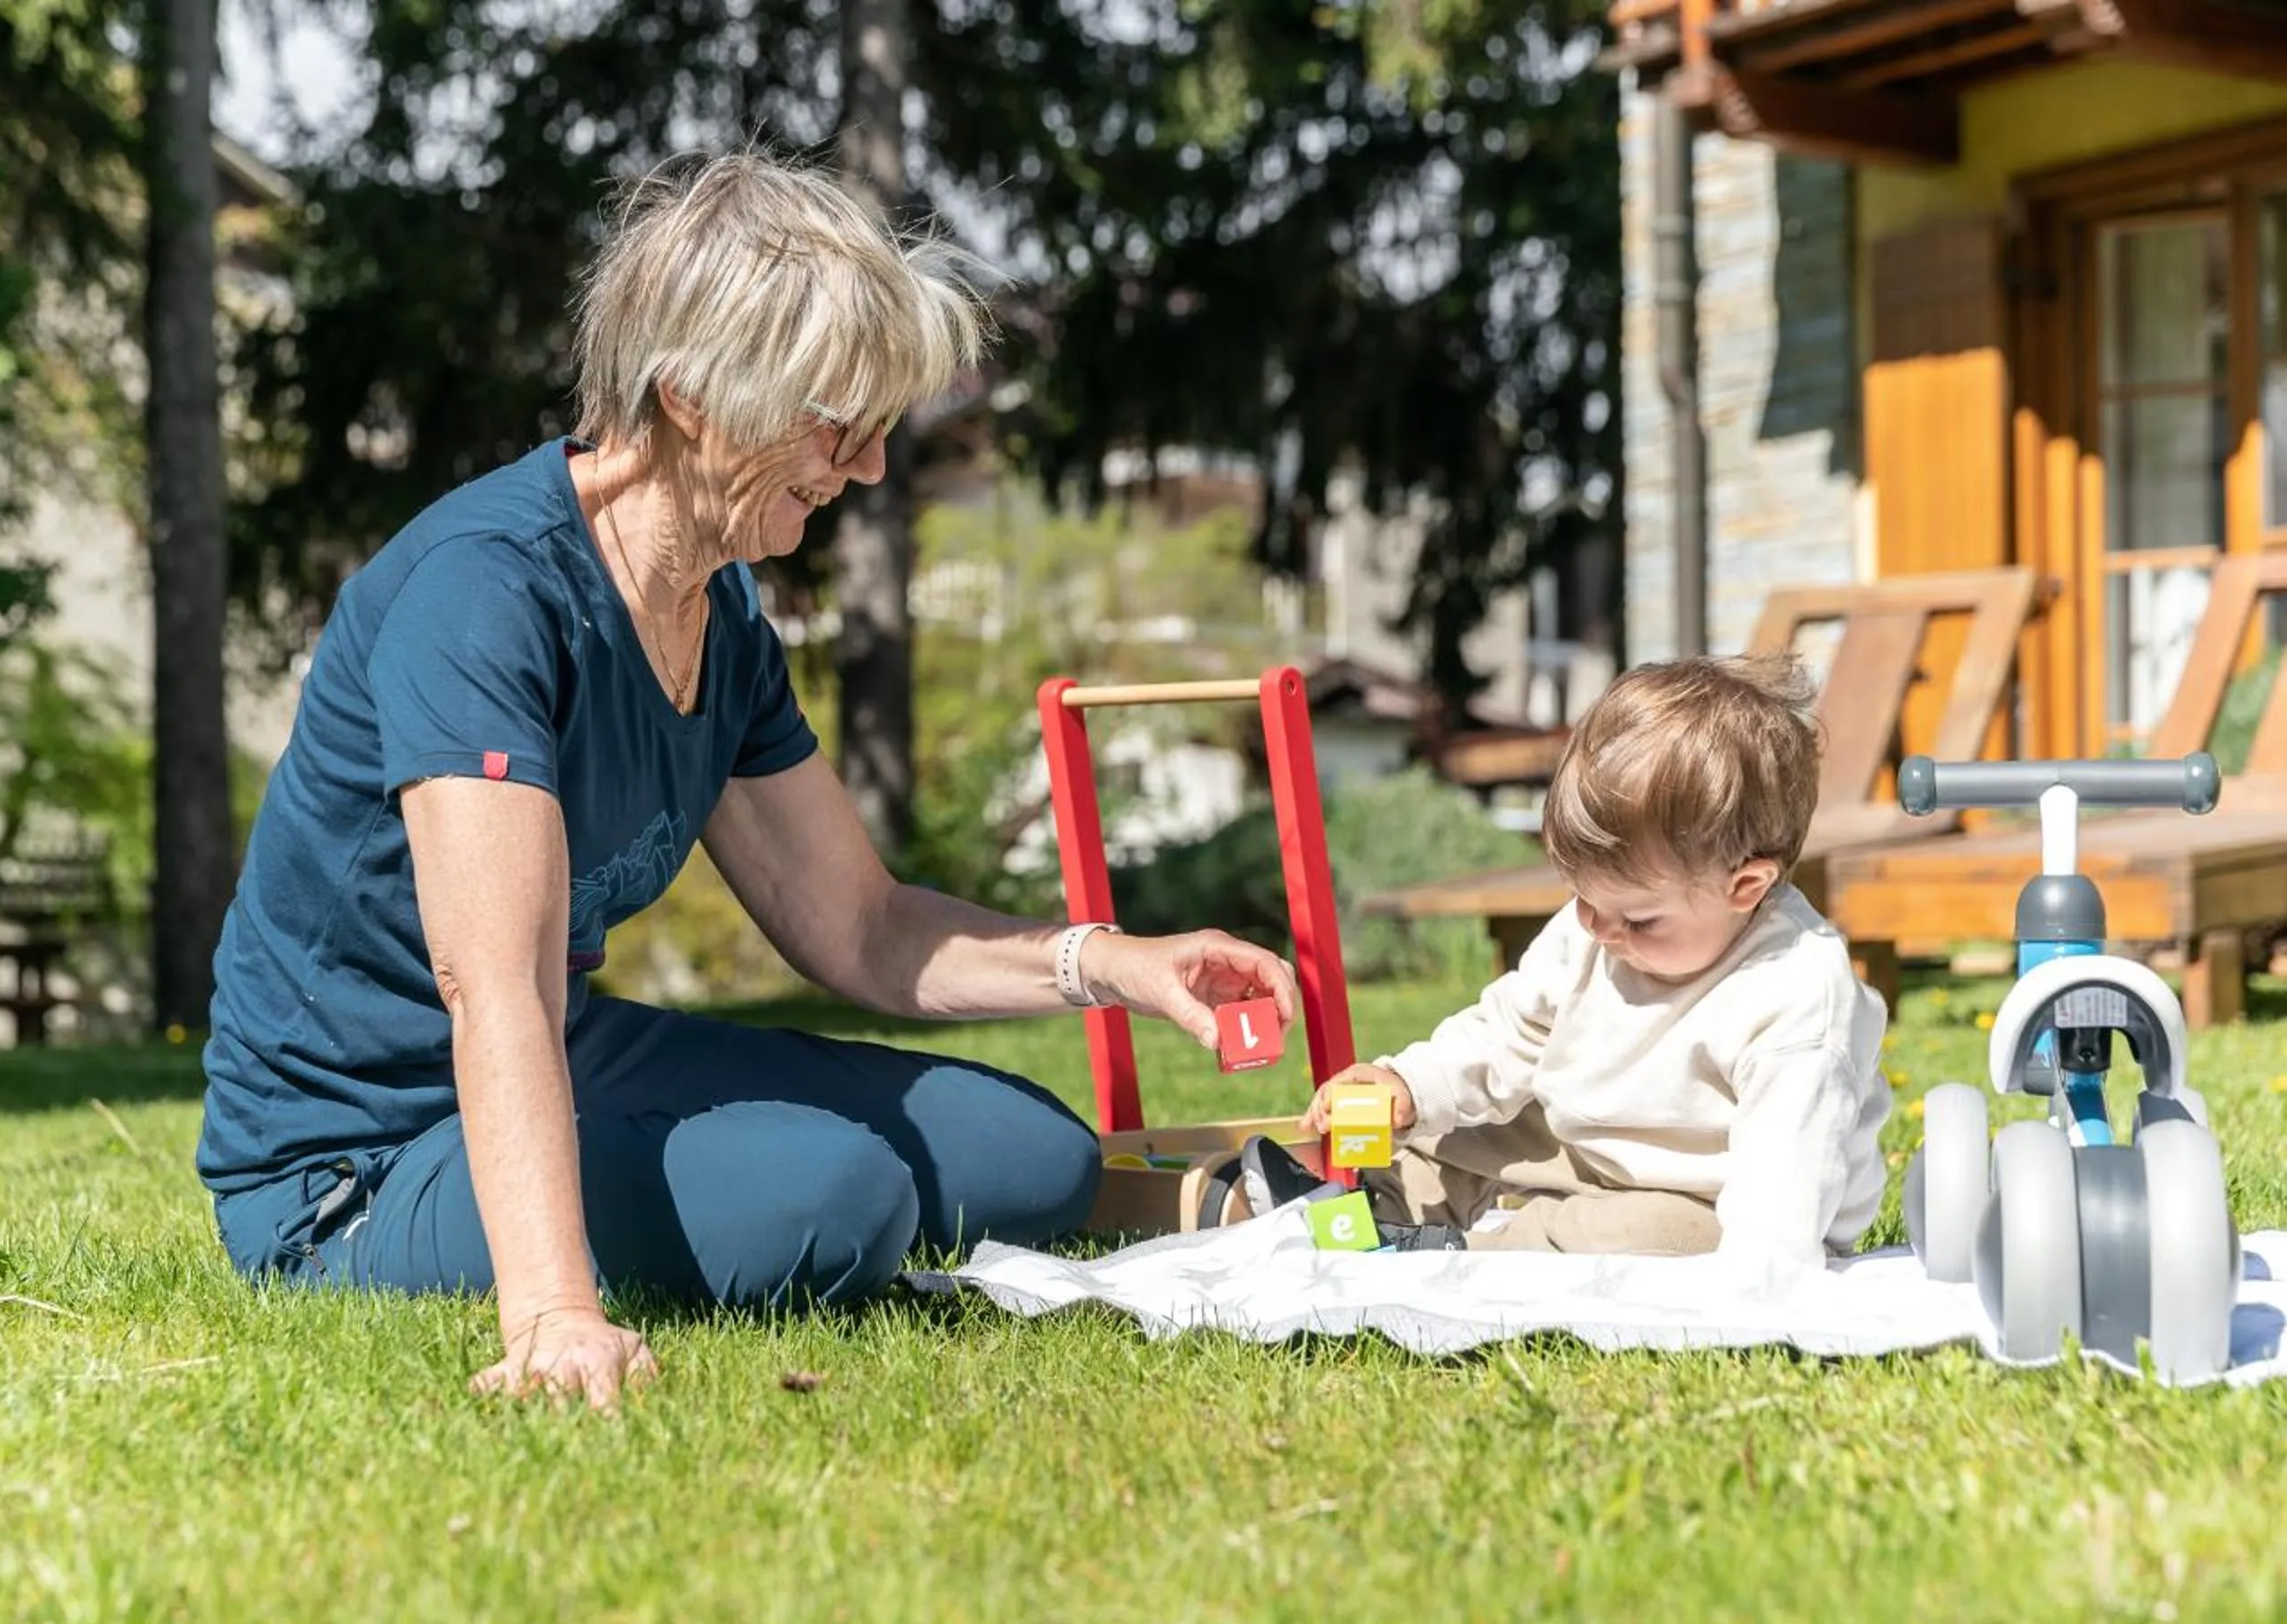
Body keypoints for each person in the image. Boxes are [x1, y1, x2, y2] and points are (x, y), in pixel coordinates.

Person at [196, 148, 1299, 1409]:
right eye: (840, 424)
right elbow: (487, 981)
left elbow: (863, 926)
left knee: (1033, 1156)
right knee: (832, 1199)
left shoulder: (719, 617)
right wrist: (556, 1311)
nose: (871, 467)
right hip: (361, 1158)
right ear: (692, 398)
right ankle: (493, 1246)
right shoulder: (484, 596)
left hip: (567, 1050)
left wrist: (1112, 963)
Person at [1290, 654, 1889, 1265]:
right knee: (1458, 1132)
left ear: (1746, 887)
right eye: (1582, 898)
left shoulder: (1795, 993)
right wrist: (1411, 1085)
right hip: (1588, 1144)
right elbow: (1508, 1034)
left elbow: (1787, 1172)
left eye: (1638, 919)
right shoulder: (1594, 930)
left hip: (1710, 1195)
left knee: (1660, 1237)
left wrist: (1763, 1268)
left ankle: (1477, 1252)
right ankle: (1363, 1204)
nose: (1598, 929)